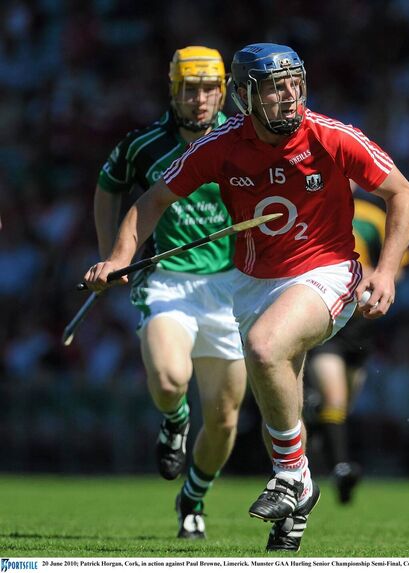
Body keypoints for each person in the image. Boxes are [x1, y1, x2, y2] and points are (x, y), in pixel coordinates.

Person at [83, 42, 409, 552]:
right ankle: (293, 516)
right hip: (250, 283)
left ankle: (294, 480)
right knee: (276, 404)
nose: (290, 96)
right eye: (275, 87)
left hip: (327, 273)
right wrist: (118, 256)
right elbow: (151, 201)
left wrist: (388, 272)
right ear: (245, 96)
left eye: (295, 83)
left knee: (265, 347)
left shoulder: (331, 136)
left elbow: (403, 195)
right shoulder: (220, 146)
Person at [92, 46, 247, 540]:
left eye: (208, 89)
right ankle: (173, 421)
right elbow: (108, 186)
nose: (199, 99)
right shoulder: (144, 144)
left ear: (222, 89)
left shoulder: (245, 140)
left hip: (233, 291)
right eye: (189, 89)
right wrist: (112, 257)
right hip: (168, 280)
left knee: (223, 422)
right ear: (173, 88)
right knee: (168, 378)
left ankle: (193, 499)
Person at [305, 191, 409, 504]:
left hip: (360, 326)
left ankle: (321, 437)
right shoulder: (313, 209)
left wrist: (379, 280)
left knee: (341, 406)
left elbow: (397, 265)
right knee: (334, 396)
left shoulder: (371, 216)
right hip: (327, 317)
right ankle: (340, 468)